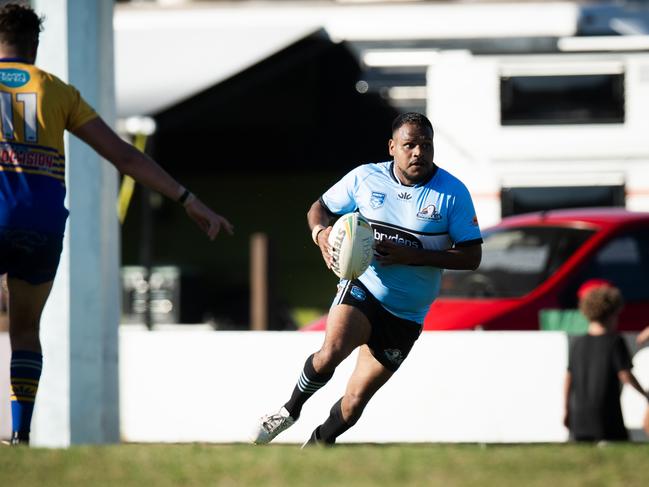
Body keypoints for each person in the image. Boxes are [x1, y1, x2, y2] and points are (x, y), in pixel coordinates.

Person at [0, 3, 233, 446]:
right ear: (34, 45)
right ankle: (20, 435)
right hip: (42, 226)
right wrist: (187, 198)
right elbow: (124, 156)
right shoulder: (57, 90)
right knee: (26, 330)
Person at [252, 112, 483, 446]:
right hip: (365, 287)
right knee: (331, 351)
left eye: (426, 145)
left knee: (355, 400)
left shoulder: (452, 193)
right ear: (392, 147)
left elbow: (471, 256)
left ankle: (315, 448)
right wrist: (320, 234)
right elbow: (318, 208)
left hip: (407, 314)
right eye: (409, 145)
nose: (418, 152)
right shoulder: (365, 178)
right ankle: (289, 411)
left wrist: (412, 255)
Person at [563, 280, 649, 442]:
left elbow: (568, 378)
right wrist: (644, 394)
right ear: (612, 313)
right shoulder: (614, 341)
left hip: (579, 415)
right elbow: (625, 374)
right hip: (606, 415)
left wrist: (566, 409)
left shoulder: (577, 343)